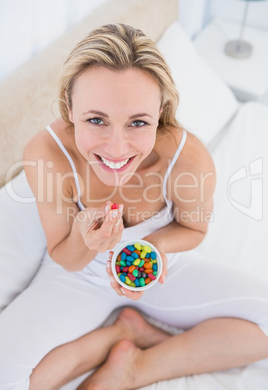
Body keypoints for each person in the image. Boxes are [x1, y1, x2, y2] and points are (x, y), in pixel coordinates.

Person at [0, 23, 268, 390]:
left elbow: (194, 229)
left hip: (156, 268)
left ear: (159, 113)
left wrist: (154, 249)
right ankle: (114, 336)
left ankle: (137, 367)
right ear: (69, 107)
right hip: (78, 274)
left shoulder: (188, 160)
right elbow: (64, 255)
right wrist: (86, 240)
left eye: (137, 123)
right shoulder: (47, 153)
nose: (116, 148)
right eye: (96, 120)